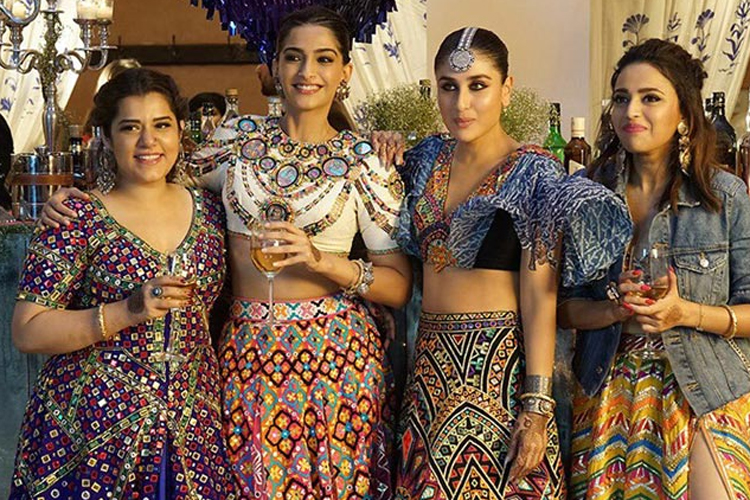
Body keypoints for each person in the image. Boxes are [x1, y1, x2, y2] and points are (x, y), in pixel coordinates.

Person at [40, 6, 411, 499]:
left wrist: (319, 260)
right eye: (293, 57)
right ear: (274, 66)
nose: (307, 72)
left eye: (324, 59)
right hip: (244, 353)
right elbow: (153, 169)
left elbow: (397, 286)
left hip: (337, 358)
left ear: (345, 71)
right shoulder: (237, 140)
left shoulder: (366, 162)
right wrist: (78, 195)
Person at [394, 27, 631, 499]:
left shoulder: (534, 172)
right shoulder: (423, 160)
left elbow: (539, 295)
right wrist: (380, 142)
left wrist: (537, 406)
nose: (462, 103)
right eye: (448, 86)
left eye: (478, 86)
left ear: (506, 89)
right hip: (429, 374)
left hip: (499, 373)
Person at [9, 68, 235, 499]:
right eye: (130, 127)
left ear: (180, 131)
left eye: (161, 125)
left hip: (193, 431)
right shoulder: (76, 218)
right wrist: (126, 310)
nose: (149, 141)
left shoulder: (213, 210)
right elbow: (28, 329)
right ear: (107, 138)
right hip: (93, 435)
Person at [559, 38, 750, 500]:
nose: (631, 112)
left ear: (684, 113)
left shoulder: (724, 196)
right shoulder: (585, 192)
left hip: (705, 384)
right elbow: (562, 309)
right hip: (607, 386)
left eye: (650, 98)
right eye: (621, 98)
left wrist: (685, 313)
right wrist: (612, 310)